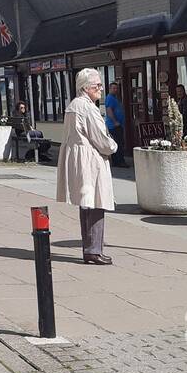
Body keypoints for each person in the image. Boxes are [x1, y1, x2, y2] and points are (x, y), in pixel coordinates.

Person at [57, 68, 118, 265]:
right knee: (96, 203)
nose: (101, 88)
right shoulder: (88, 108)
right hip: (91, 158)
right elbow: (101, 138)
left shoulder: (73, 105)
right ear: (86, 88)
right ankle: (93, 250)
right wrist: (113, 146)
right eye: (97, 85)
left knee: (87, 203)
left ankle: (90, 248)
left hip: (79, 158)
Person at [104, 81, 126, 167]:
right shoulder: (110, 98)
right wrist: (115, 122)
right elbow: (109, 111)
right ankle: (119, 161)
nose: (115, 90)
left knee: (118, 143)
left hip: (118, 124)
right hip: (114, 126)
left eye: (116, 88)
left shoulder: (115, 98)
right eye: (113, 88)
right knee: (118, 143)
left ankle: (117, 161)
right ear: (110, 89)